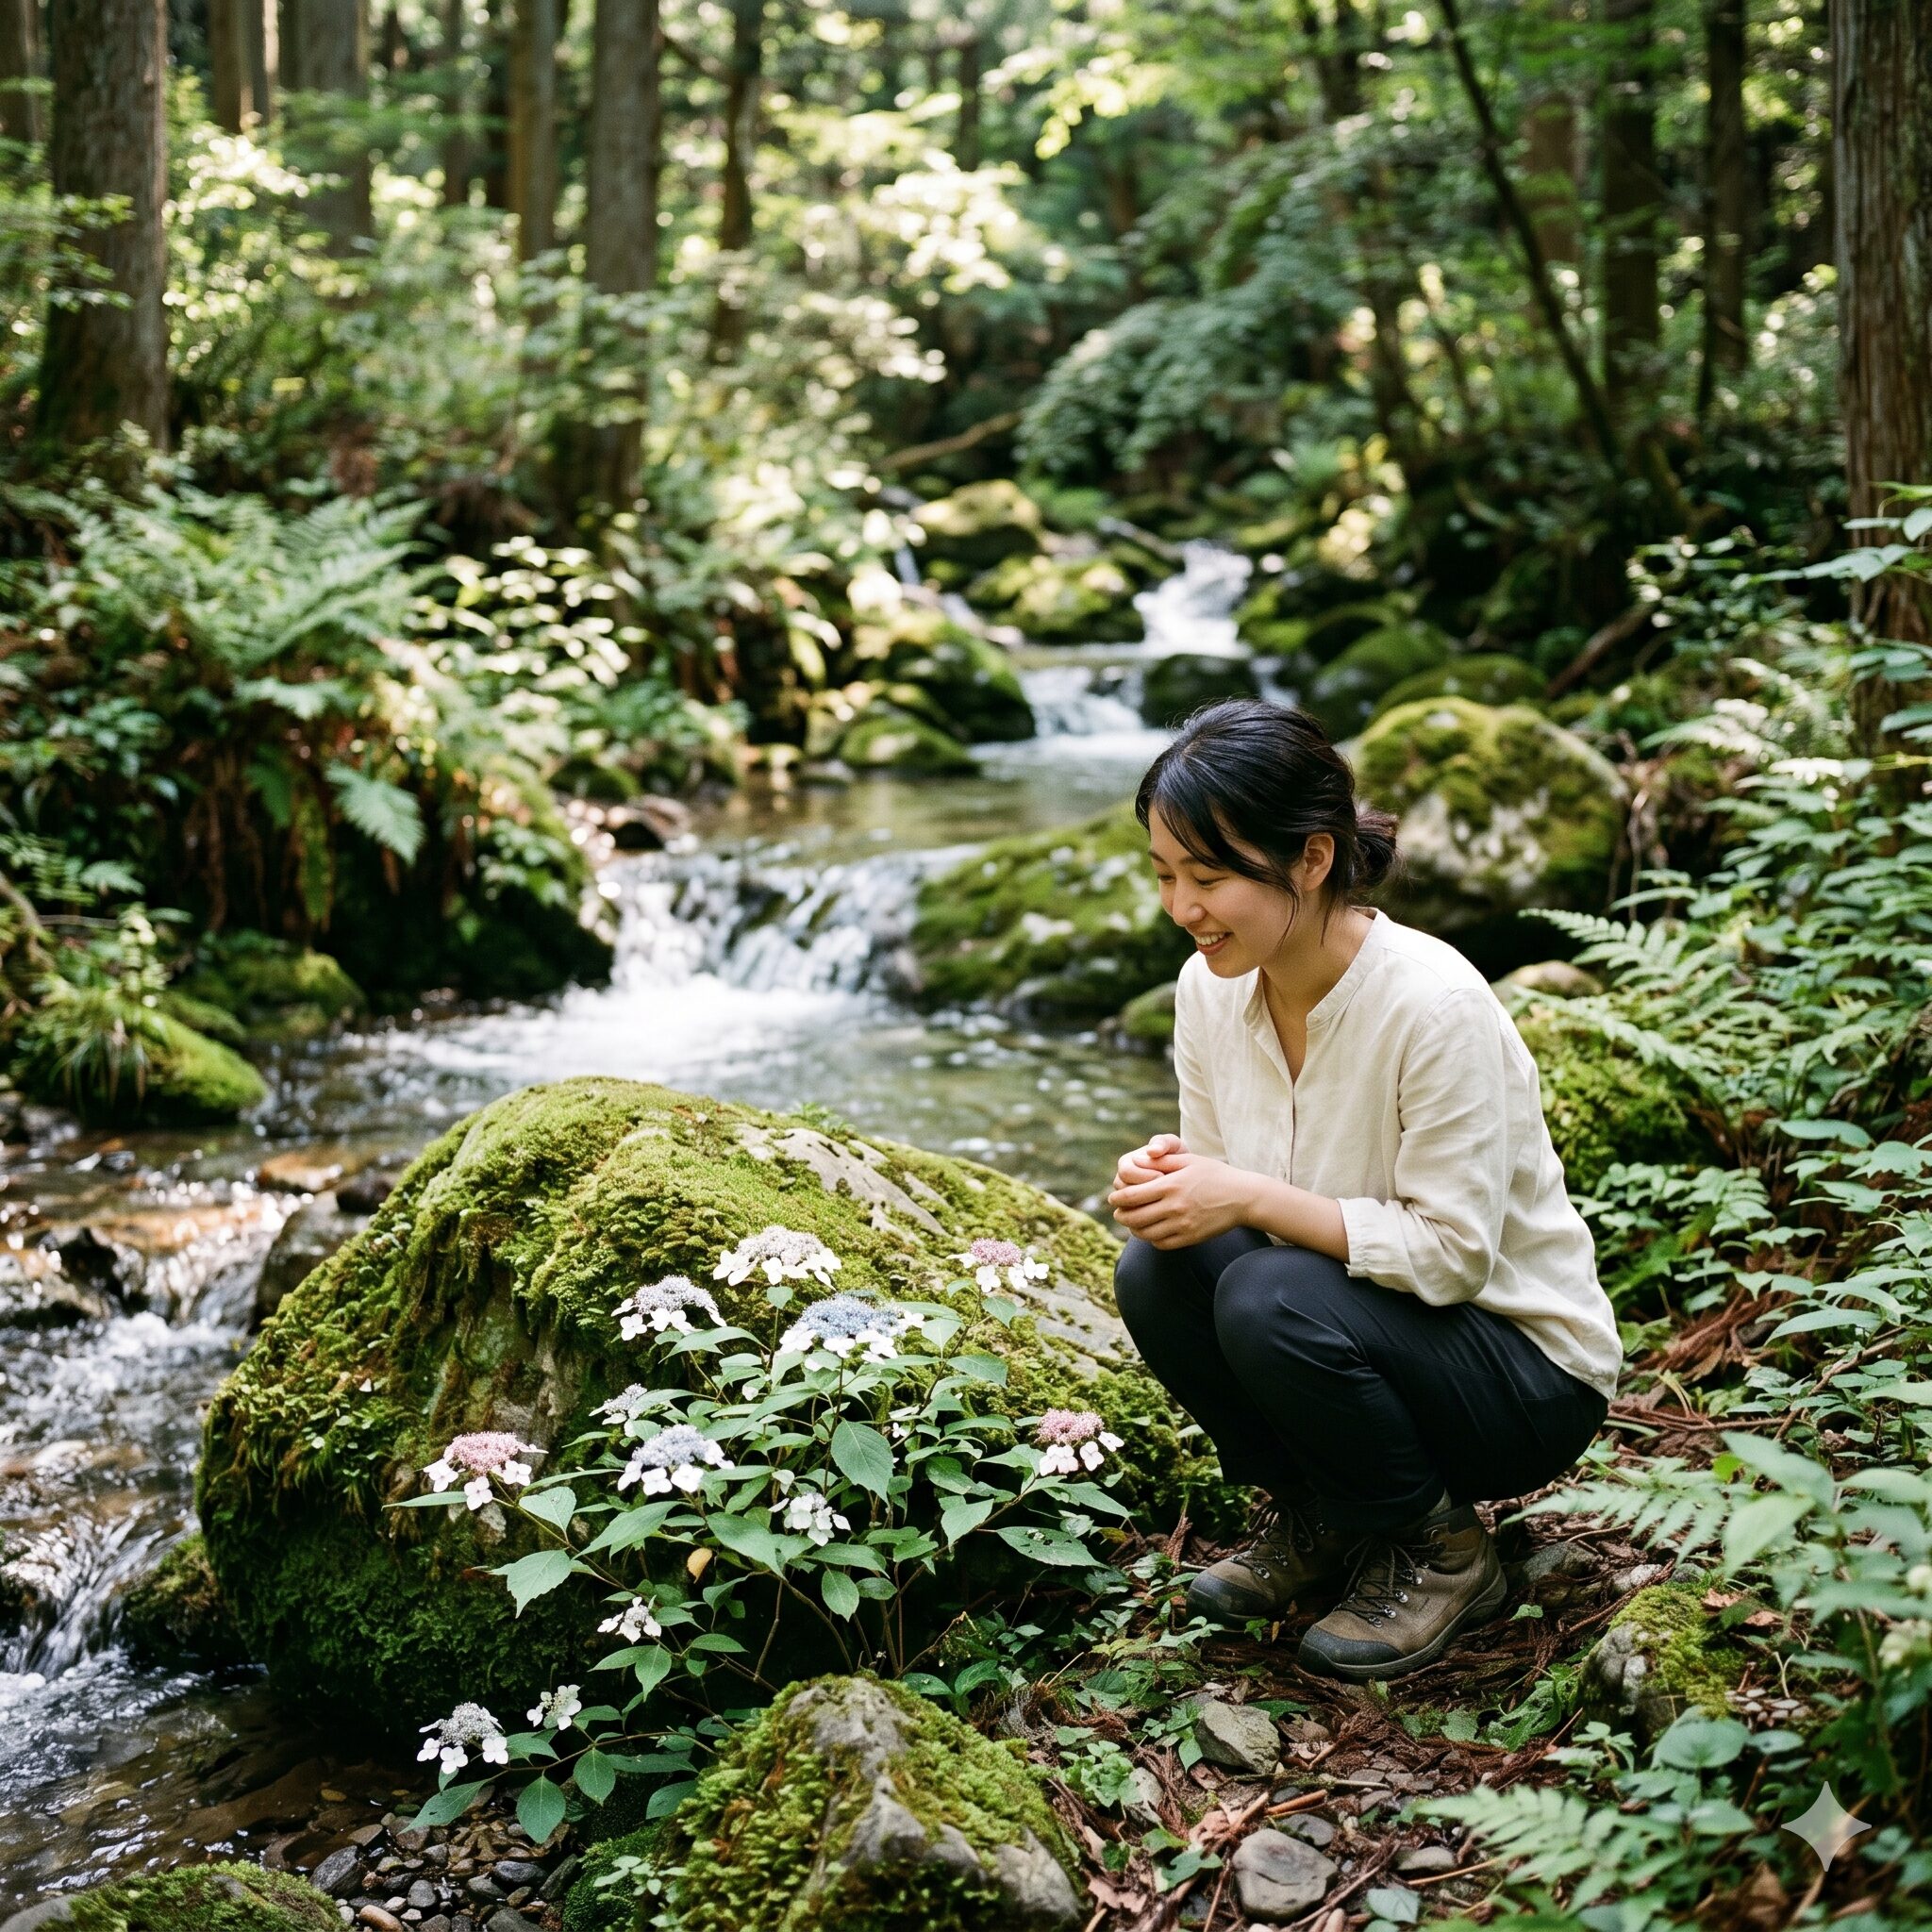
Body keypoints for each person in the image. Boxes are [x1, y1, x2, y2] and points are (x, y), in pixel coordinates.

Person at [1108, 699, 1620, 1682]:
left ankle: (1439, 1552)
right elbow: (1226, 1196)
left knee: (1265, 1291)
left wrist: (1243, 1197)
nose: (1181, 908)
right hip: (1357, 1331)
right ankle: (1318, 1517)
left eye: (1209, 877)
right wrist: (1175, 1181)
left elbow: (1450, 1252)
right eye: (1165, 875)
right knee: (1158, 1265)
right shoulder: (1206, 986)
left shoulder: (1432, 1003)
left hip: (1516, 1371)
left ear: (1309, 858)